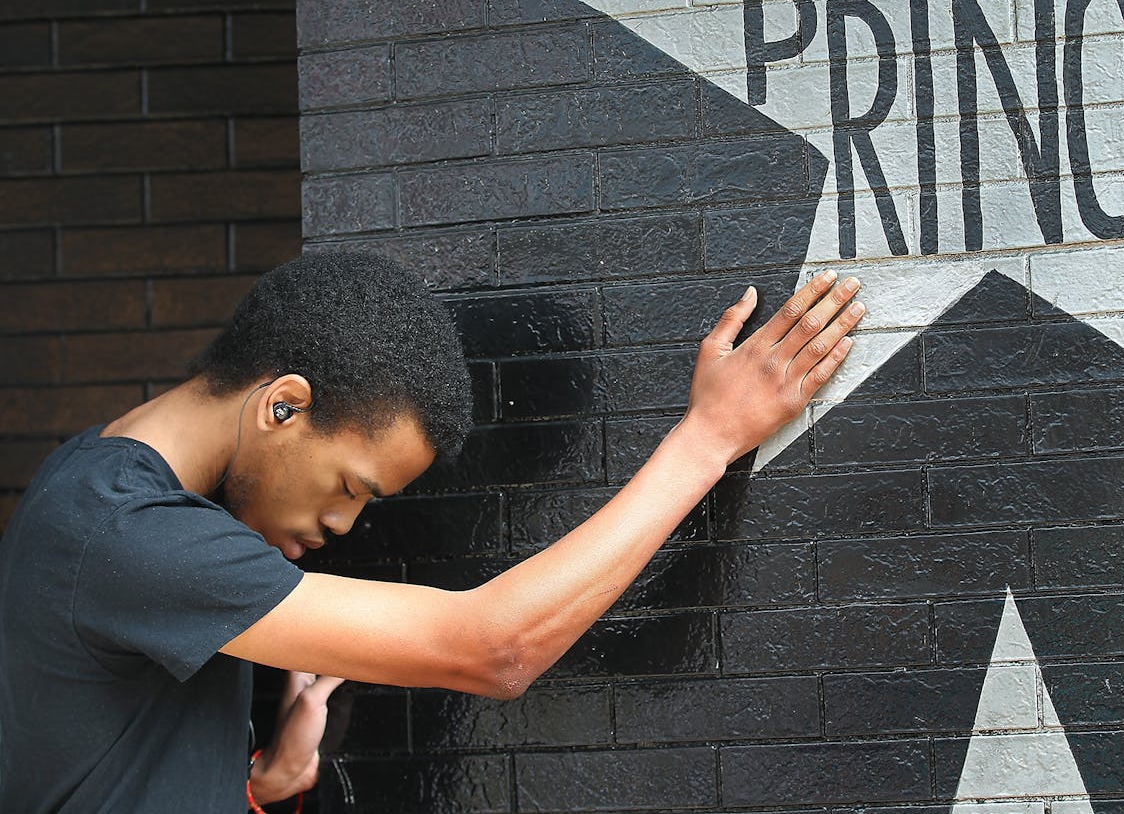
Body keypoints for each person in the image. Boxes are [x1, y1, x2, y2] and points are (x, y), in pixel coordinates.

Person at [0, 250, 866, 812]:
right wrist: (708, 438)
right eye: (349, 486)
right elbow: (495, 650)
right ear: (283, 405)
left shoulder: (109, 494)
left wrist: (260, 786)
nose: (340, 523)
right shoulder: (129, 533)